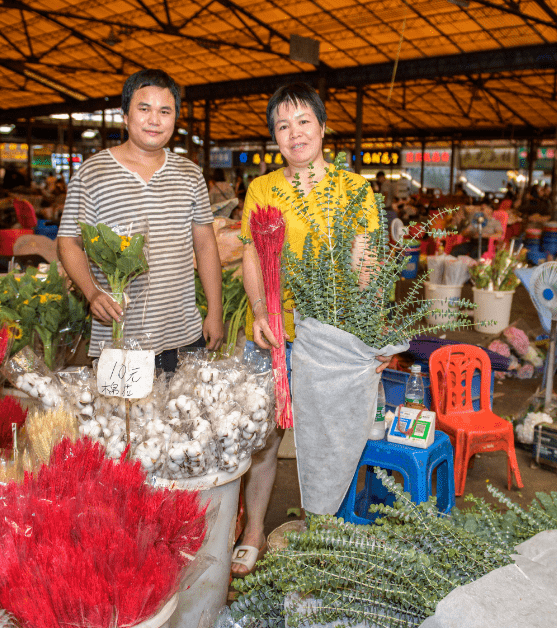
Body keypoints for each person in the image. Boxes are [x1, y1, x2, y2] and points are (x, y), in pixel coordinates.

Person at [233, 82, 387, 577]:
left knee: (332, 436)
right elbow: (253, 254)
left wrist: (372, 334)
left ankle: (326, 532)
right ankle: (254, 528)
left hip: (333, 337)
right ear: (274, 136)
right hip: (277, 334)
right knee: (265, 436)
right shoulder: (262, 189)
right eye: (283, 125)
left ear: (323, 127)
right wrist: (261, 312)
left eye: (303, 122)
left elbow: (366, 264)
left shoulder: (354, 190)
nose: (294, 133)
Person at [57, 68, 224, 371]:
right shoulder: (93, 173)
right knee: (122, 418)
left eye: (165, 111)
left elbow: (206, 247)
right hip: (119, 334)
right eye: (143, 109)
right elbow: (68, 240)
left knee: (181, 415)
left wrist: (215, 310)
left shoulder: (190, 174)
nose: (154, 120)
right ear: (125, 115)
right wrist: (92, 291)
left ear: (175, 118)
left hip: (183, 331)